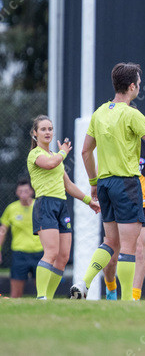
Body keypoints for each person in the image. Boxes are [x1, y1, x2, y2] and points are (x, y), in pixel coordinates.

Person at [70, 63, 145, 301]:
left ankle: (84, 283)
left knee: (110, 242)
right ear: (132, 86)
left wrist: (93, 182)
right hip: (126, 184)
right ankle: (128, 301)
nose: (140, 86)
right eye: (139, 83)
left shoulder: (99, 112)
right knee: (128, 247)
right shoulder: (131, 114)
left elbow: (85, 151)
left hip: (105, 184)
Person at [26, 115, 100, 299]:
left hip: (61, 205)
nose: (47, 132)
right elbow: (49, 164)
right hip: (45, 204)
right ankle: (41, 297)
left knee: (63, 256)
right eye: (43, 129)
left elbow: (68, 185)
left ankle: (49, 298)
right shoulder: (36, 154)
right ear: (35, 133)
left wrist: (88, 201)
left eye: (50, 129)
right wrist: (63, 152)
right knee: (51, 252)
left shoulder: (56, 156)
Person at [103, 138, 145, 300]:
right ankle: (111, 288)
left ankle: (133, 298)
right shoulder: (114, 140)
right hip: (117, 201)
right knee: (112, 254)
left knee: (139, 250)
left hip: (139, 203)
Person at [0, 179, 43, 298]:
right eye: (20, 191)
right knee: (16, 294)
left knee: (42, 292)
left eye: (26, 191)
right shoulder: (11, 208)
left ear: (32, 192)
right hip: (19, 254)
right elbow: (3, 230)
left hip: (40, 253)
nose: (23, 194)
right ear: (16, 193)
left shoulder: (39, 206)